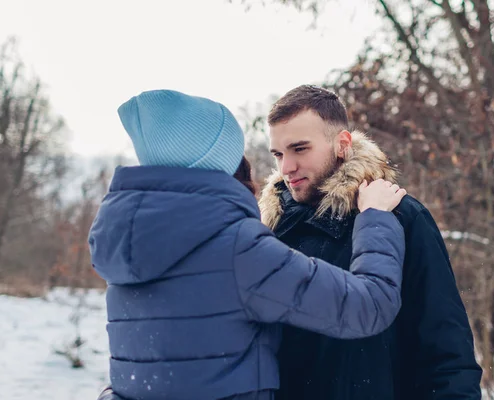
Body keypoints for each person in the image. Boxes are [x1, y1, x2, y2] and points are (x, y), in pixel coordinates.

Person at [89, 89, 408, 400]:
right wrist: (375, 217)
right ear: (223, 159)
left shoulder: (126, 245)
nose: (285, 167)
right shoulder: (235, 248)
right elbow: (368, 306)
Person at [259, 85, 483, 400]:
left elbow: (445, 349)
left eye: (300, 149)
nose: (287, 168)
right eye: (279, 154)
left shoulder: (401, 216)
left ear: (342, 144)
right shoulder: (270, 228)